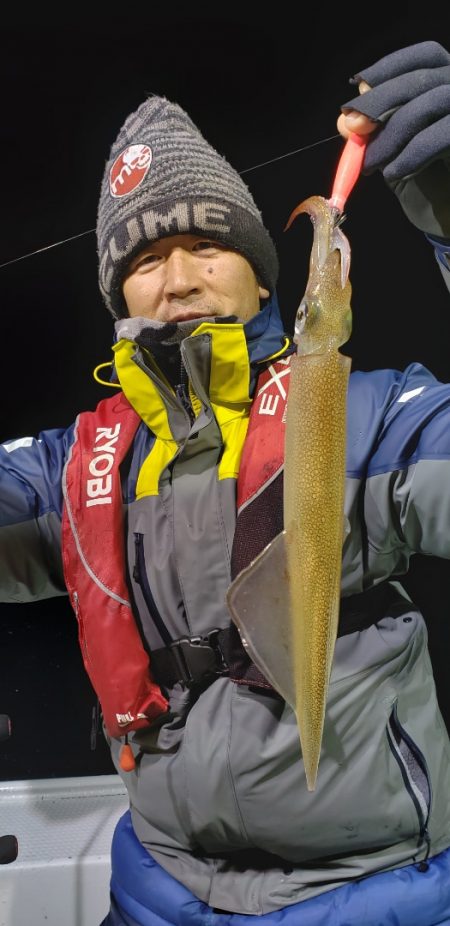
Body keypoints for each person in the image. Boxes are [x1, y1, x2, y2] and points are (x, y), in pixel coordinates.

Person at [1, 39, 450, 926]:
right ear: (119, 295)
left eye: (208, 243)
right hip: (157, 887)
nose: (177, 279)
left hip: (371, 893)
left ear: (261, 273)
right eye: (144, 259)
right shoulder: (73, 467)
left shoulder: (381, 417)